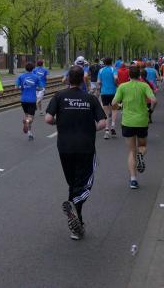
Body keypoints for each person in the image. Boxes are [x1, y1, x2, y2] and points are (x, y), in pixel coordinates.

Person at [45, 65, 106, 240]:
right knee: (85, 183)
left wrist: (60, 123)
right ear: (83, 80)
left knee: (72, 182)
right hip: (85, 147)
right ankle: (73, 206)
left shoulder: (59, 96)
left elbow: (48, 118)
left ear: (68, 79)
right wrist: (91, 128)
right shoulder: (90, 98)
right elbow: (102, 123)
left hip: (64, 147)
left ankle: (77, 223)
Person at [112, 65, 155, 189]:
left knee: (131, 151)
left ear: (129, 75)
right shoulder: (144, 86)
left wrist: (120, 107)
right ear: (139, 75)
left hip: (127, 122)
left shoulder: (122, 87)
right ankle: (141, 154)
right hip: (142, 121)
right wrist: (150, 111)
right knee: (142, 146)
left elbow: (114, 103)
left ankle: (133, 180)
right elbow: (154, 100)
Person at [16, 62, 40, 140]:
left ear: (25, 68)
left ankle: (30, 134)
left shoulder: (21, 76)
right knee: (30, 118)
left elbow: (16, 87)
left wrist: (23, 87)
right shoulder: (36, 77)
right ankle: (26, 122)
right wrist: (34, 88)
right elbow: (40, 87)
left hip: (23, 100)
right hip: (32, 100)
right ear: (33, 68)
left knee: (27, 116)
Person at [97, 57, 118, 139]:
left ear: (104, 63)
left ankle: (106, 130)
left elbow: (99, 82)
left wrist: (102, 85)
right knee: (114, 109)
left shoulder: (101, 70)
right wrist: (115, 84)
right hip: (113, 92)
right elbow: (116, 78)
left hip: (104, 93)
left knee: (105, 112)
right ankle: (113, 126)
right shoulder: (113, 69)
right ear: (111, 62)